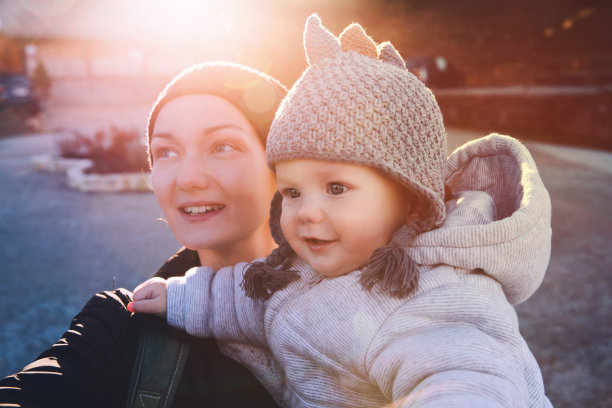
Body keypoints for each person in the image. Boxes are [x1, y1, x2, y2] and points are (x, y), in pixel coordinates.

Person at [130, 14, 554, 407]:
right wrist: (180, 296)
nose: (306, 212)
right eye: (293, 191)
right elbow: (247, 301)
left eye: (336, 188)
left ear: (409, 201)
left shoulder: (435, 294)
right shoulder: (307, 267)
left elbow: (467, 379)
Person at [0, 62, 286, 407]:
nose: (188, 178)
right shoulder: (125, 328)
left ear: (281, 165)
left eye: (222, 146)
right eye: (166, 152)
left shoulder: (361, 291)